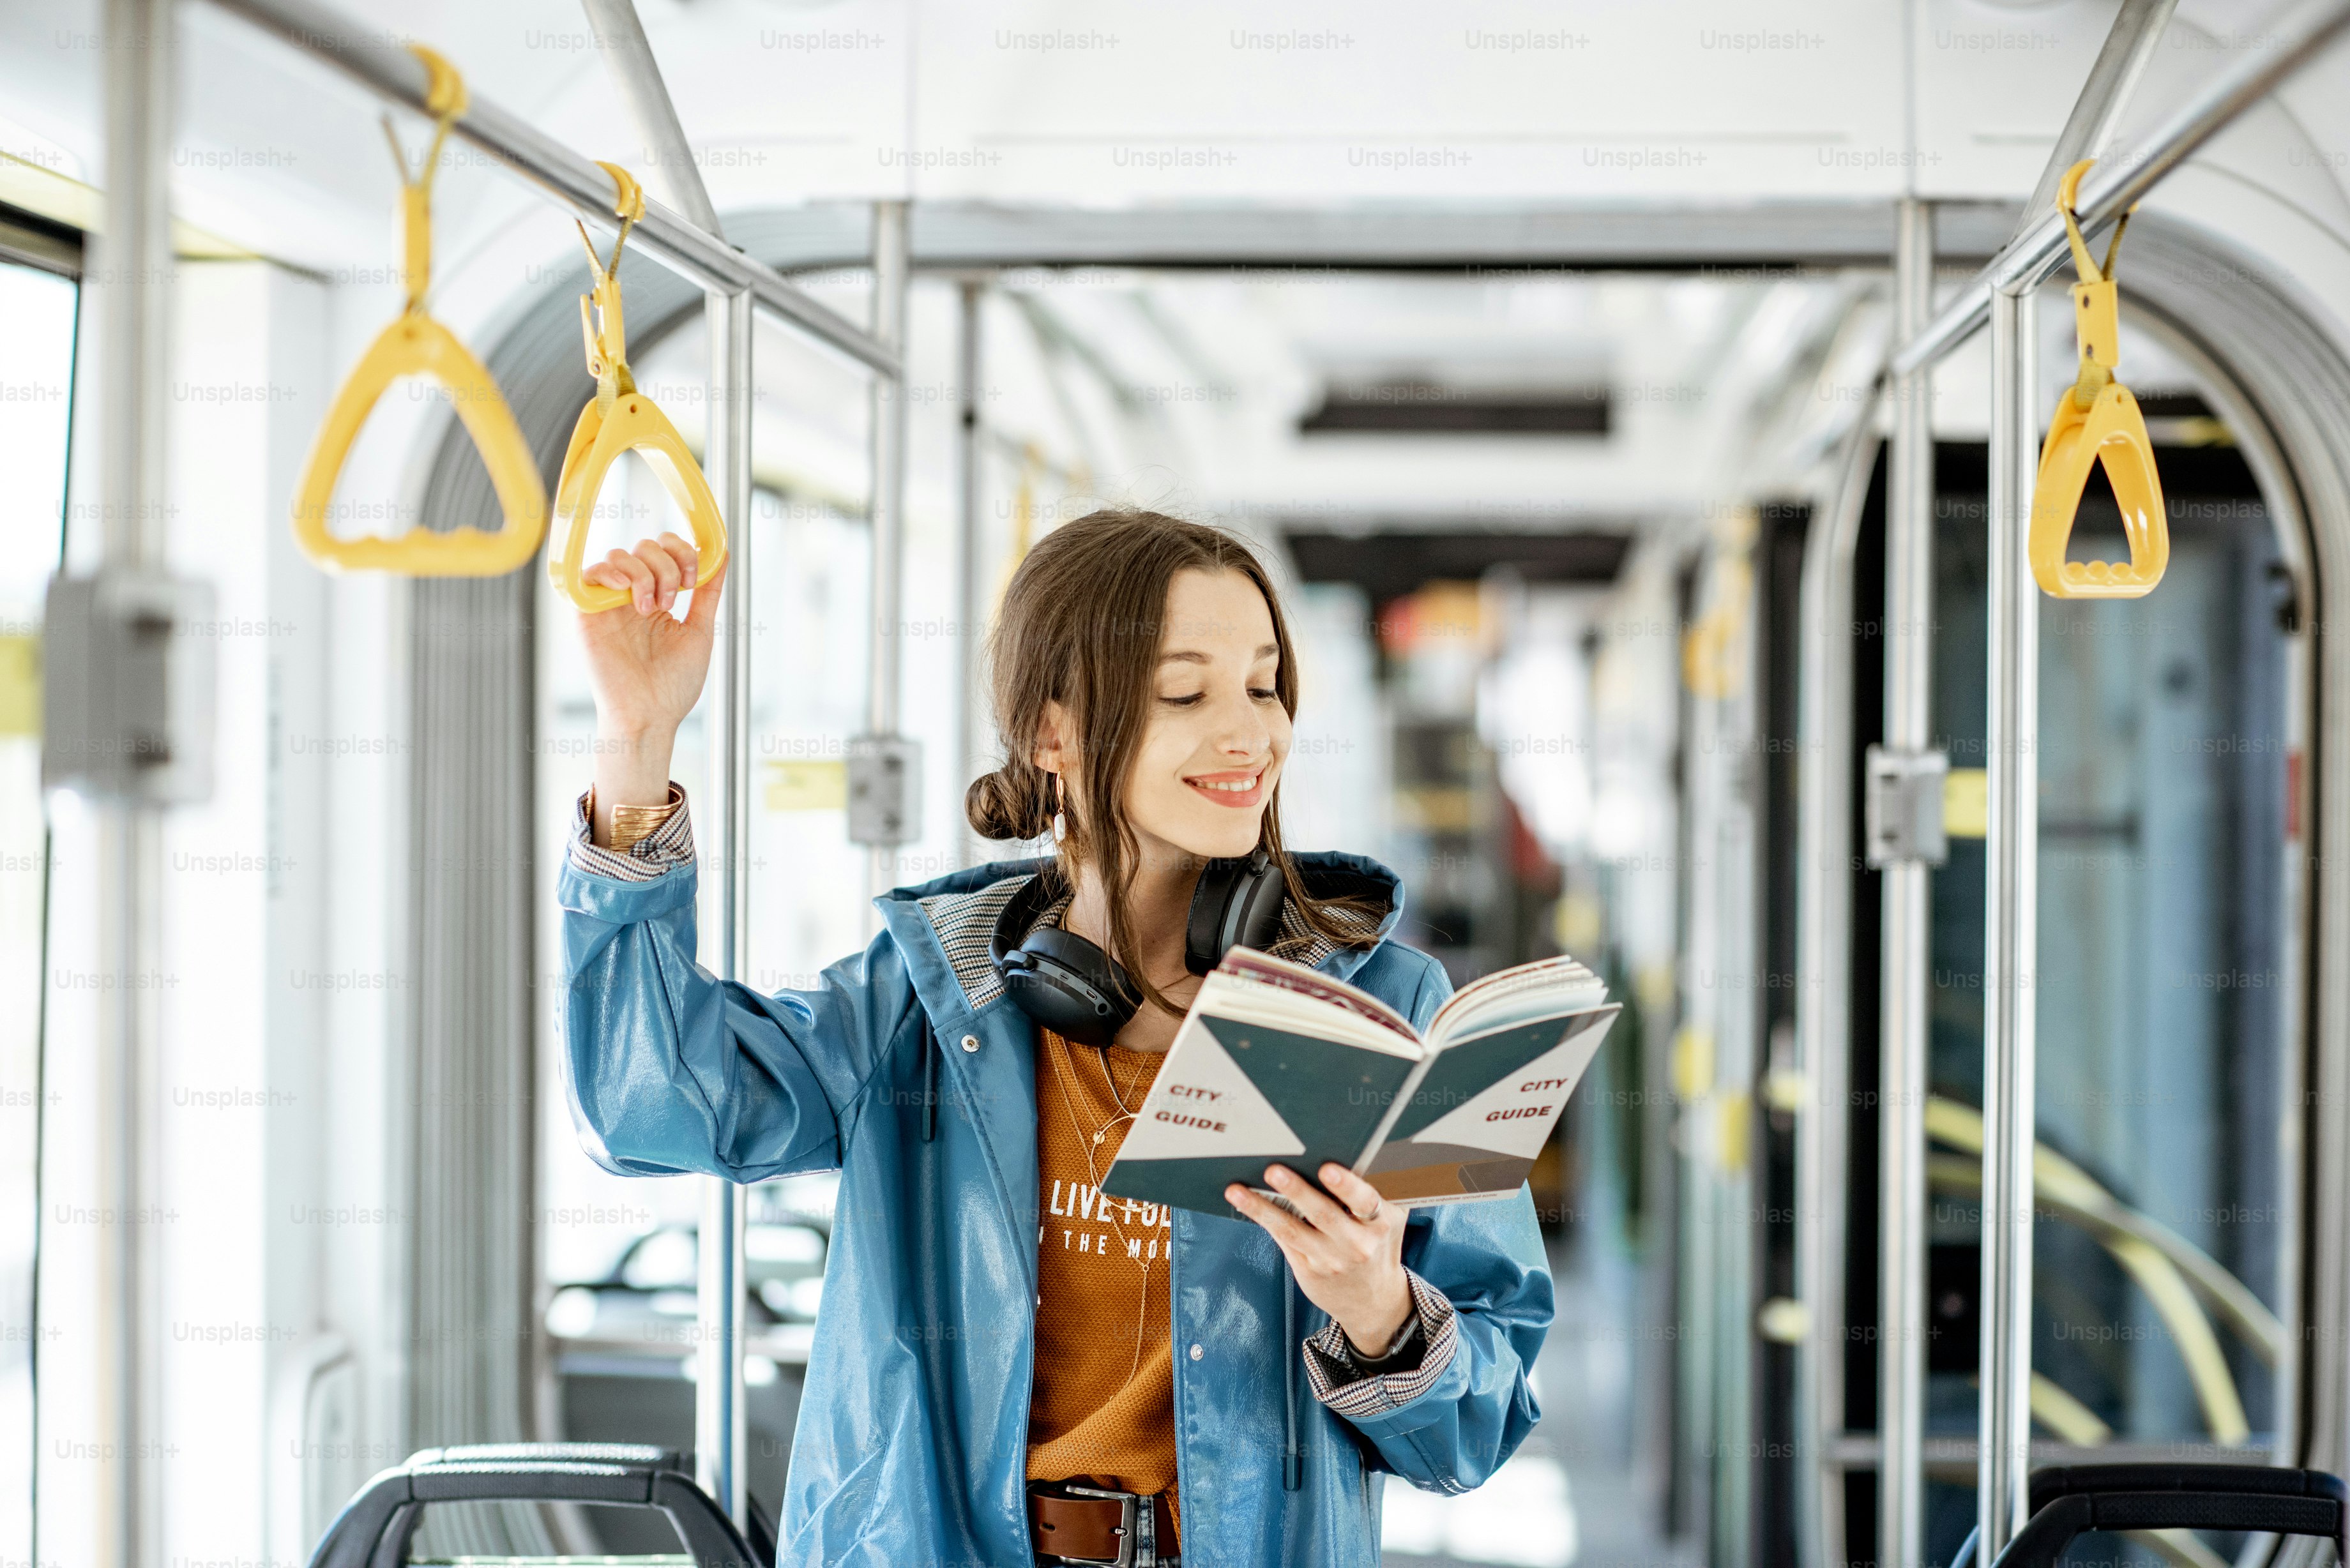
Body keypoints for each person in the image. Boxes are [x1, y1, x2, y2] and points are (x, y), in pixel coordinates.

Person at [561, 508, 1551, 1566]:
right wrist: (635, 743)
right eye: (1185, 691)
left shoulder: (1383, 1008)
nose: (1248, 732)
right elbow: (647, 1103)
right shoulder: (923, 1000)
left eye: (1264, 685)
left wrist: (1381, 1312)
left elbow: (1478, 1433)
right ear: (1052, 735)